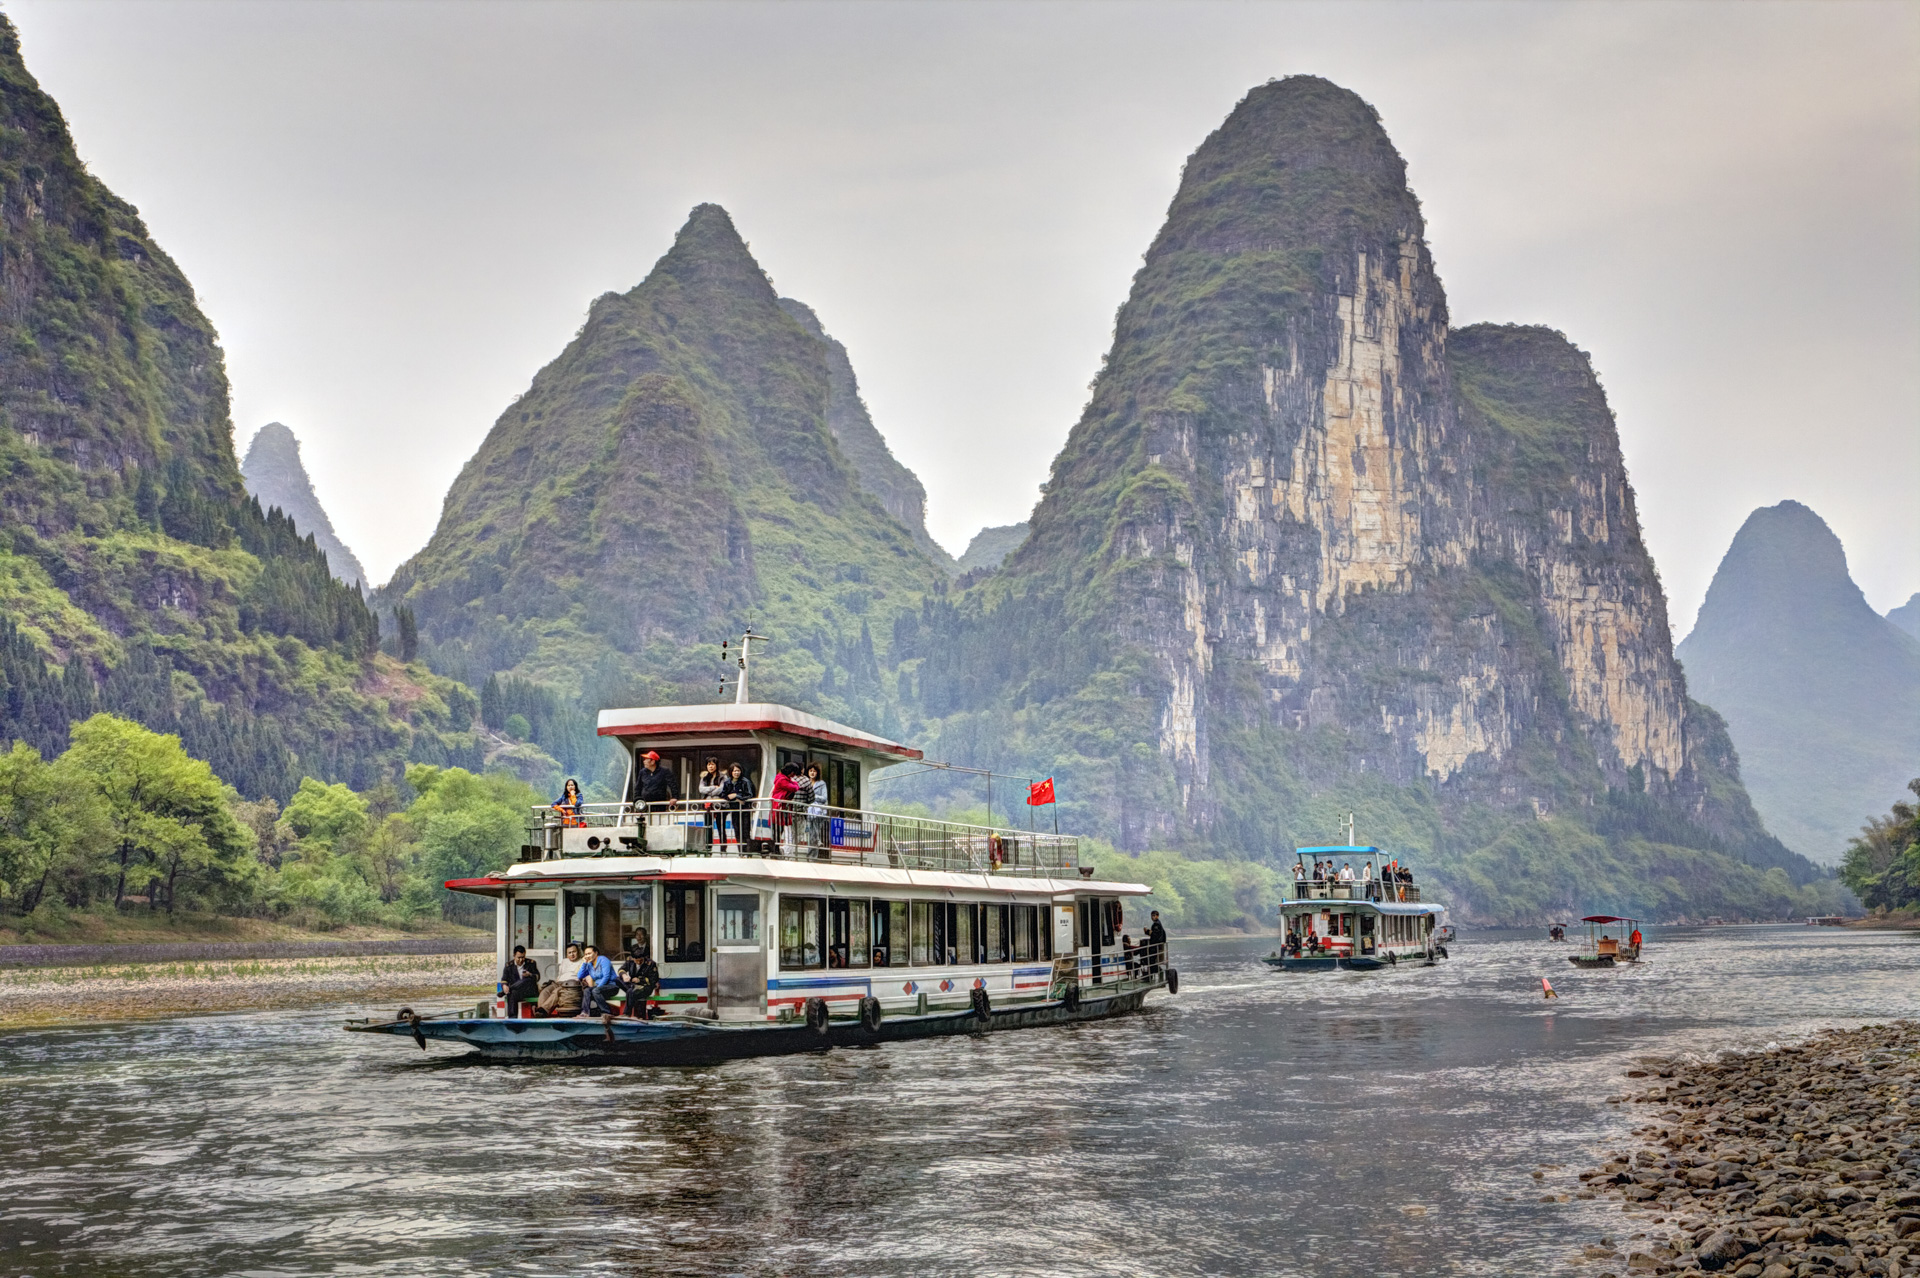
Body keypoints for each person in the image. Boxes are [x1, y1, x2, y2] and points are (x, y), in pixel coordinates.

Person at [576, 943, 620, 1017]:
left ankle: (606, 1012)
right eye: (585, 954)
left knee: (595, 990)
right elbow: (579, 976)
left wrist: (597, 987)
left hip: (611, 987)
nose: (587, 956)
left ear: (596, 953)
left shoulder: (603, 960)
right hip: (599, 989)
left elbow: (606, 976)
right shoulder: (589, 964)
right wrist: (584, 963)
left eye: (589, 953)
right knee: (587, 990)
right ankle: (585, 1013)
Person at [718, 761, 755, 849]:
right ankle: (741, 851)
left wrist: (737, 796)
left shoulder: (745, 782)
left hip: (745, 809)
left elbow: (750, 795)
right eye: (734, 771)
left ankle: (748, 852)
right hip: (734, 810)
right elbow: (723, 795)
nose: (736, 773)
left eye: (738, 771)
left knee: (746, 831)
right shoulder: (727, 782)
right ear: (731, 772)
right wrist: (732, 798)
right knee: (737, 831)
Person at [618, 944, 660, 1019]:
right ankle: (631, 991)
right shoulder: (630, 960)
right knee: (617, 980)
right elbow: (621, 969)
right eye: (636, 960)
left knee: (630, 992)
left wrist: (640, 980)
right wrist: (624, 975)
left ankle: (626, 1014)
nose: (638, 962)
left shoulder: (650, 964)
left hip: (645, 986)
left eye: (640, 960)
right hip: (633, 985)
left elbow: (654, 980)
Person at [770, 763, 801, 856]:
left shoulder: (780, 777)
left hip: (778, 807)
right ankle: (775, 849)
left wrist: (793, 782)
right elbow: (794, 788)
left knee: (778, 829)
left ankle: (776, 848)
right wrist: (795, 783)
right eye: (793, 772)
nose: (794, 775)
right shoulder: (782, 780)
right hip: (779, 808)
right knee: (778, 830)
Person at [632, 750, 678, 815]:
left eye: (646, 759)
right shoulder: (642, 772)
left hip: (659, 803)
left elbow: (673, 785)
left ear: (653, 761)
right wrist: (636, 799)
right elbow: (638, 787)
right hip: (645, 804)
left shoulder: (664, 771)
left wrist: (674, 797)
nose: (644, 761)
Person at [500, 945, 540, 1016]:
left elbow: (537, 977)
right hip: (517, 991)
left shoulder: (531, 963)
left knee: (526, 980)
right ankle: (512, 1019)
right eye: (519, 958)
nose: (521, 960)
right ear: (514, 956)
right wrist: (504, 986)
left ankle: (509, 989)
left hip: (529, 990)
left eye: (523, 957)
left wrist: (530, 974)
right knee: (512, 993)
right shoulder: (509, 966)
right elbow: (504, 980)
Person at [803, 762, 830, 859]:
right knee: (812, 834)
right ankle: (812, 854)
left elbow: (824, 798)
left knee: (813, 833)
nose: (812, 773)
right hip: (809, 811)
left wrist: (813, 796)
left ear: (817, 773)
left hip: (818, 811)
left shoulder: (821, 784)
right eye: (810, 771)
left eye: (814, 771)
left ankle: (812, 856)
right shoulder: (806, 782)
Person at [697, 757, 725, 845]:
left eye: (713, 764)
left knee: (721, 828)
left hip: (720, 805)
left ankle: (723, 849)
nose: (711, 767)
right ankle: (708, 849)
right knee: (708, 827)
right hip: (707, 805)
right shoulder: (704, 778)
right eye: (709, 765)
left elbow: (721, 789)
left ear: (716, 765)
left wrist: (710, 793)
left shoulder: (723, 777)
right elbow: (701, 789)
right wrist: (713, 787)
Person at [1147, 909, 1168, 976]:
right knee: (1152, 961)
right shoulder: (1158, 924)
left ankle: (1156, 973)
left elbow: (1155, 935)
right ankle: (1154, 973)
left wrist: (1148, 932)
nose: (1152, 917)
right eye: (1152, 916)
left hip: (1155, 946)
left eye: (1154, 916)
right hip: (1157, 945)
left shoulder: (1156, 924)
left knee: (1152, 960)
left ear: (1157, 916)